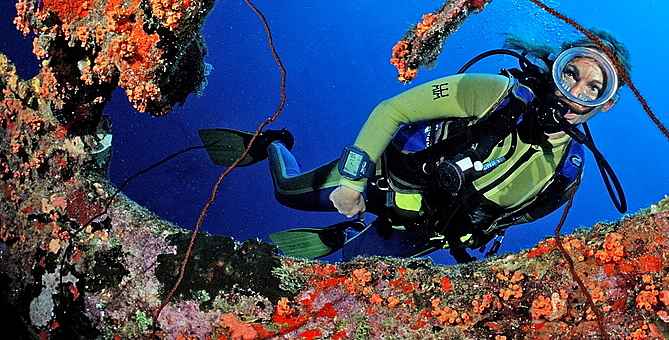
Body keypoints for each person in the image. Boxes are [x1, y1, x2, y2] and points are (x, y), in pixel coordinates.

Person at [199, 30, 631, 262]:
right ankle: (274, 143)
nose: (574, 91)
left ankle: (346, 236)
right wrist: (351, 182)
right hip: (377, 181)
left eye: (594, 87)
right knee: (286, 192)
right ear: (555, 68)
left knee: (343, 278)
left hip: (419, 234)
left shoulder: (566, 175)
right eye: (571, 72)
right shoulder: (495, 93)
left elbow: (506, 220)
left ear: (606, 104)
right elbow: (392, 110)